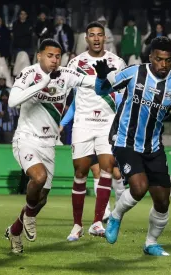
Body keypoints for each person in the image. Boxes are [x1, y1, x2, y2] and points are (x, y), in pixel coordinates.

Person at [92, 36, 171, 256]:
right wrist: (101, 77)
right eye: (159, 59)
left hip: (153, 147)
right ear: (151, 57)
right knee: (139, 188)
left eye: (167, 60)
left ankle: (150, 243)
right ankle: (115, 216)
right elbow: (102, 90)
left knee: (162, 201)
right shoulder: (133, 73)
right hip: (125, 142)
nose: (163, 65)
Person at [3, 38, 96, 254]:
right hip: (26, 138)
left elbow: (90, 82)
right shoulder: (29, 74)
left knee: (42, 199)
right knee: (39, 177)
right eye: (50, 56)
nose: (54, 60)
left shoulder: (66, 75)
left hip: (49, 144)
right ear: (39, 56)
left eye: (57, 56)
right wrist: (41, 85)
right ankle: (28, 217)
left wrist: (111, 79)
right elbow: (12, 101)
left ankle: (16, 230)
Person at [63, 21, 127, 241]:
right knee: (80, 172)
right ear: (86, 38)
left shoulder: (116, 62)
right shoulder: (75, 63)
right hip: (83, 123)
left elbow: (122, 93)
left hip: (107, 124)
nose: (97, 39)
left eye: (100, 35)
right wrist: (63, 122)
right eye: (92, 35)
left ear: (105, 38)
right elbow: (71, 97)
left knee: (107, 167)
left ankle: (98, 222)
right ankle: (77, 225)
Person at [59, 89, 125, 241]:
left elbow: (121, 100)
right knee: (86, 172)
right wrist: (62, 124)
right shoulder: (81, 71)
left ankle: (101, 218)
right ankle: (81, 224)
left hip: (106, 129)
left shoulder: (113, 69)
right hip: (84, 129)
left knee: (110, 171)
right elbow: (76, 103)